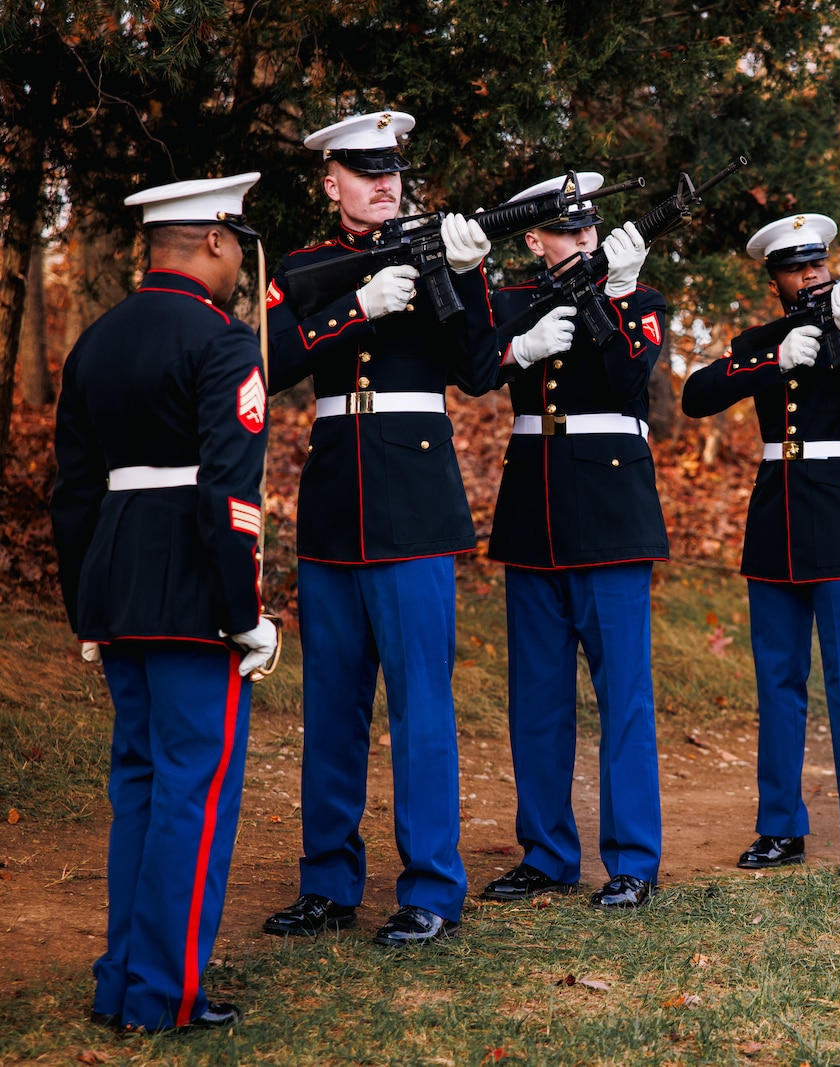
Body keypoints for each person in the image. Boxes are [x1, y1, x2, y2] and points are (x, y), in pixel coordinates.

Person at [260, 111, 501, 946]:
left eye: (393, 169)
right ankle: (327, 883)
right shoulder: (306, 267)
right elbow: (268, 362)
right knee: (331, 707)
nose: (385, 183)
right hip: (333, 505)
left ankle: (431, 886)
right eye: (365, 171)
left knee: (422, 708)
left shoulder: (438, 255)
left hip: (414, 508)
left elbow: (478, 375)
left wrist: (467, 277)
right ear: (332, 183)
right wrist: (357, 305)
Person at [52, 173, 276, 1031]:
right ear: (216, 241)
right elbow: (229, 489)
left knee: (140, 788)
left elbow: (72, 493)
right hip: (193, 590)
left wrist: (87, 606)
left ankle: (123, 981)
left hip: (116, 586)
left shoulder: (97, 341)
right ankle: (163, 995)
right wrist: (243, 610)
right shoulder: (223, 341)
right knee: (193, 791)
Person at [680, 213, 840, 879]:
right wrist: (772, 359)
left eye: (818, 262)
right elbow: (696, 395)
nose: (811, 274)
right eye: (796, 267)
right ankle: (781, 826)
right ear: (776, 279)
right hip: (775, 519)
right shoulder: (762, 338)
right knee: (777, 681)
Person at [477, 172, 667, 910]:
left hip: (611, 513)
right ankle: (547, 851)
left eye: (589, 228)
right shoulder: (516, 300)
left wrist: (613, 294)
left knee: (622, 695)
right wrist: (518, 349)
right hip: (532, 508)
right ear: (534, 238)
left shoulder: (639, 300)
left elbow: (626, 379)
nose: (583, 239)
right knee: (538, 698)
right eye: (565, 229)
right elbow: (471, 366)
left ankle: (632, 859)